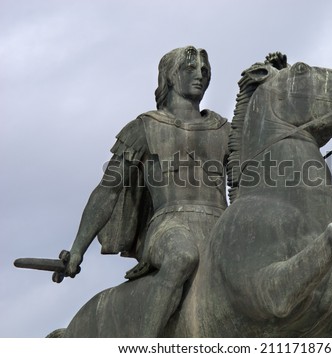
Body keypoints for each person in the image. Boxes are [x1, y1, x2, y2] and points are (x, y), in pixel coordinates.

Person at [64, 46, 230, 337]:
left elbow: (253, 173)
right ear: (169, 76)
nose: (200, 75)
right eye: (189, 68)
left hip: (222, 225)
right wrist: (78, 249)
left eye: (205, 70)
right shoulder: (144, 127)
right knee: (181, 257)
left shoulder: (223, 129)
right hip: (169, 225)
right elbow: (108, 190)